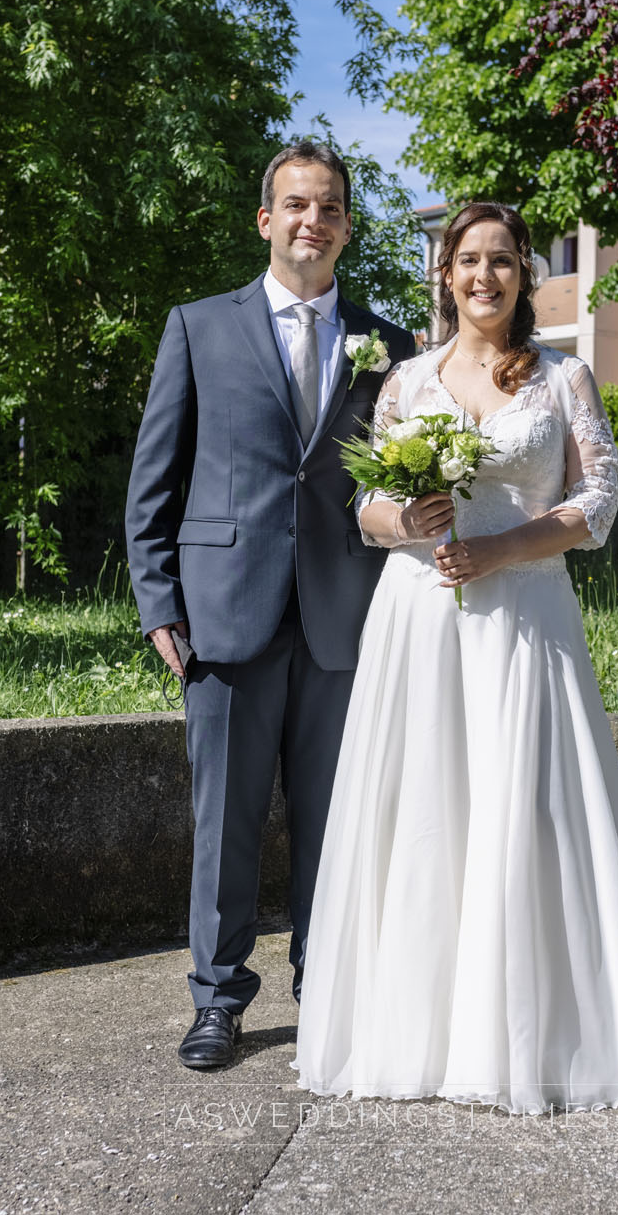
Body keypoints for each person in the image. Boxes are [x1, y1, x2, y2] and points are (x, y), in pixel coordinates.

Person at [292, 202, 618, 1113]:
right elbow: (367, 508)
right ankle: (423, 1029)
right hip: (420, 625)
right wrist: (407, 520)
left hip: (527, 619)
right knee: (428, 813)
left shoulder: (565, 377)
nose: (484, 276)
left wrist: (502, 549)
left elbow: (599, 500)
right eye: (467, 261)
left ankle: (545, 1032)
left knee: (527, 811)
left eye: (502, 261)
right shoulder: (406, 381)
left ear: (525, 274)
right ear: (445, 274)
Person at [125, 142, 416, 1071]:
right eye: (295, 205)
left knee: (340, 820)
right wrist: (159, 602)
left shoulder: (392, 345)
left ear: (345, 225)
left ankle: (327, 989)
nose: (312, 222)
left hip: (346, 617)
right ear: (265, 219)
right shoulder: (199, 327)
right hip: (225, 611)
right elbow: (153, 484)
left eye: (329, 207)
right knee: (228, 819)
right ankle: (218, 999)